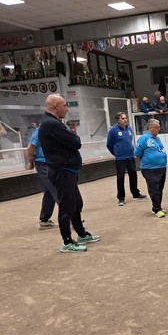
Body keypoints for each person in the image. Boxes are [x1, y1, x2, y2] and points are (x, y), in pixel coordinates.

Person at [38, 94, 100, 253]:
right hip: (62, 171)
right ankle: (67, 242)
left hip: (68, 170)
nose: (67, 108)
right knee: (66, 207)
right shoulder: (52, 124)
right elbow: (76, 143)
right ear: (55, 106)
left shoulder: (54, 123)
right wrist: (73, 136)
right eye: (64, 105)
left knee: (76, 204)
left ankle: (81, 234)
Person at [106, 112, 147, 206]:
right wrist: (116, 153)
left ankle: (135, 194)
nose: (125, 120)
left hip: (130, 156)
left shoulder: (129, 128)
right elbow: (109, 144)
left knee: (133, 175)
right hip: (120, 158)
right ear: (118, 120)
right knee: (120, 178)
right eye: (123, 118)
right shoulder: (113, 130)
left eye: (125, 118)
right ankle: (121, 198)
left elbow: (129, 140)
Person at [26, 125, 59, 230]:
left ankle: (44, 220)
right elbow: (30, 147)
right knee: (56, 188)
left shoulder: (55, 129)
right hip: (43, 164)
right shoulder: (38, 131)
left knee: (49, 192)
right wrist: (31, 161)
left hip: (53, 163)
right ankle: (71, 217)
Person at [134, 119, 168, 218]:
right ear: (150, 128)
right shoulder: (144, 138)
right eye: (157, 127)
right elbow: (137, 153)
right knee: (154, 189)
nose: (159, 129)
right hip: (150, 169)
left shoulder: (157, 138)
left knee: (160, 188)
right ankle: (156, 209)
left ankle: (158, 207)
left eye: (159, 127)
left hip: (161, 168)